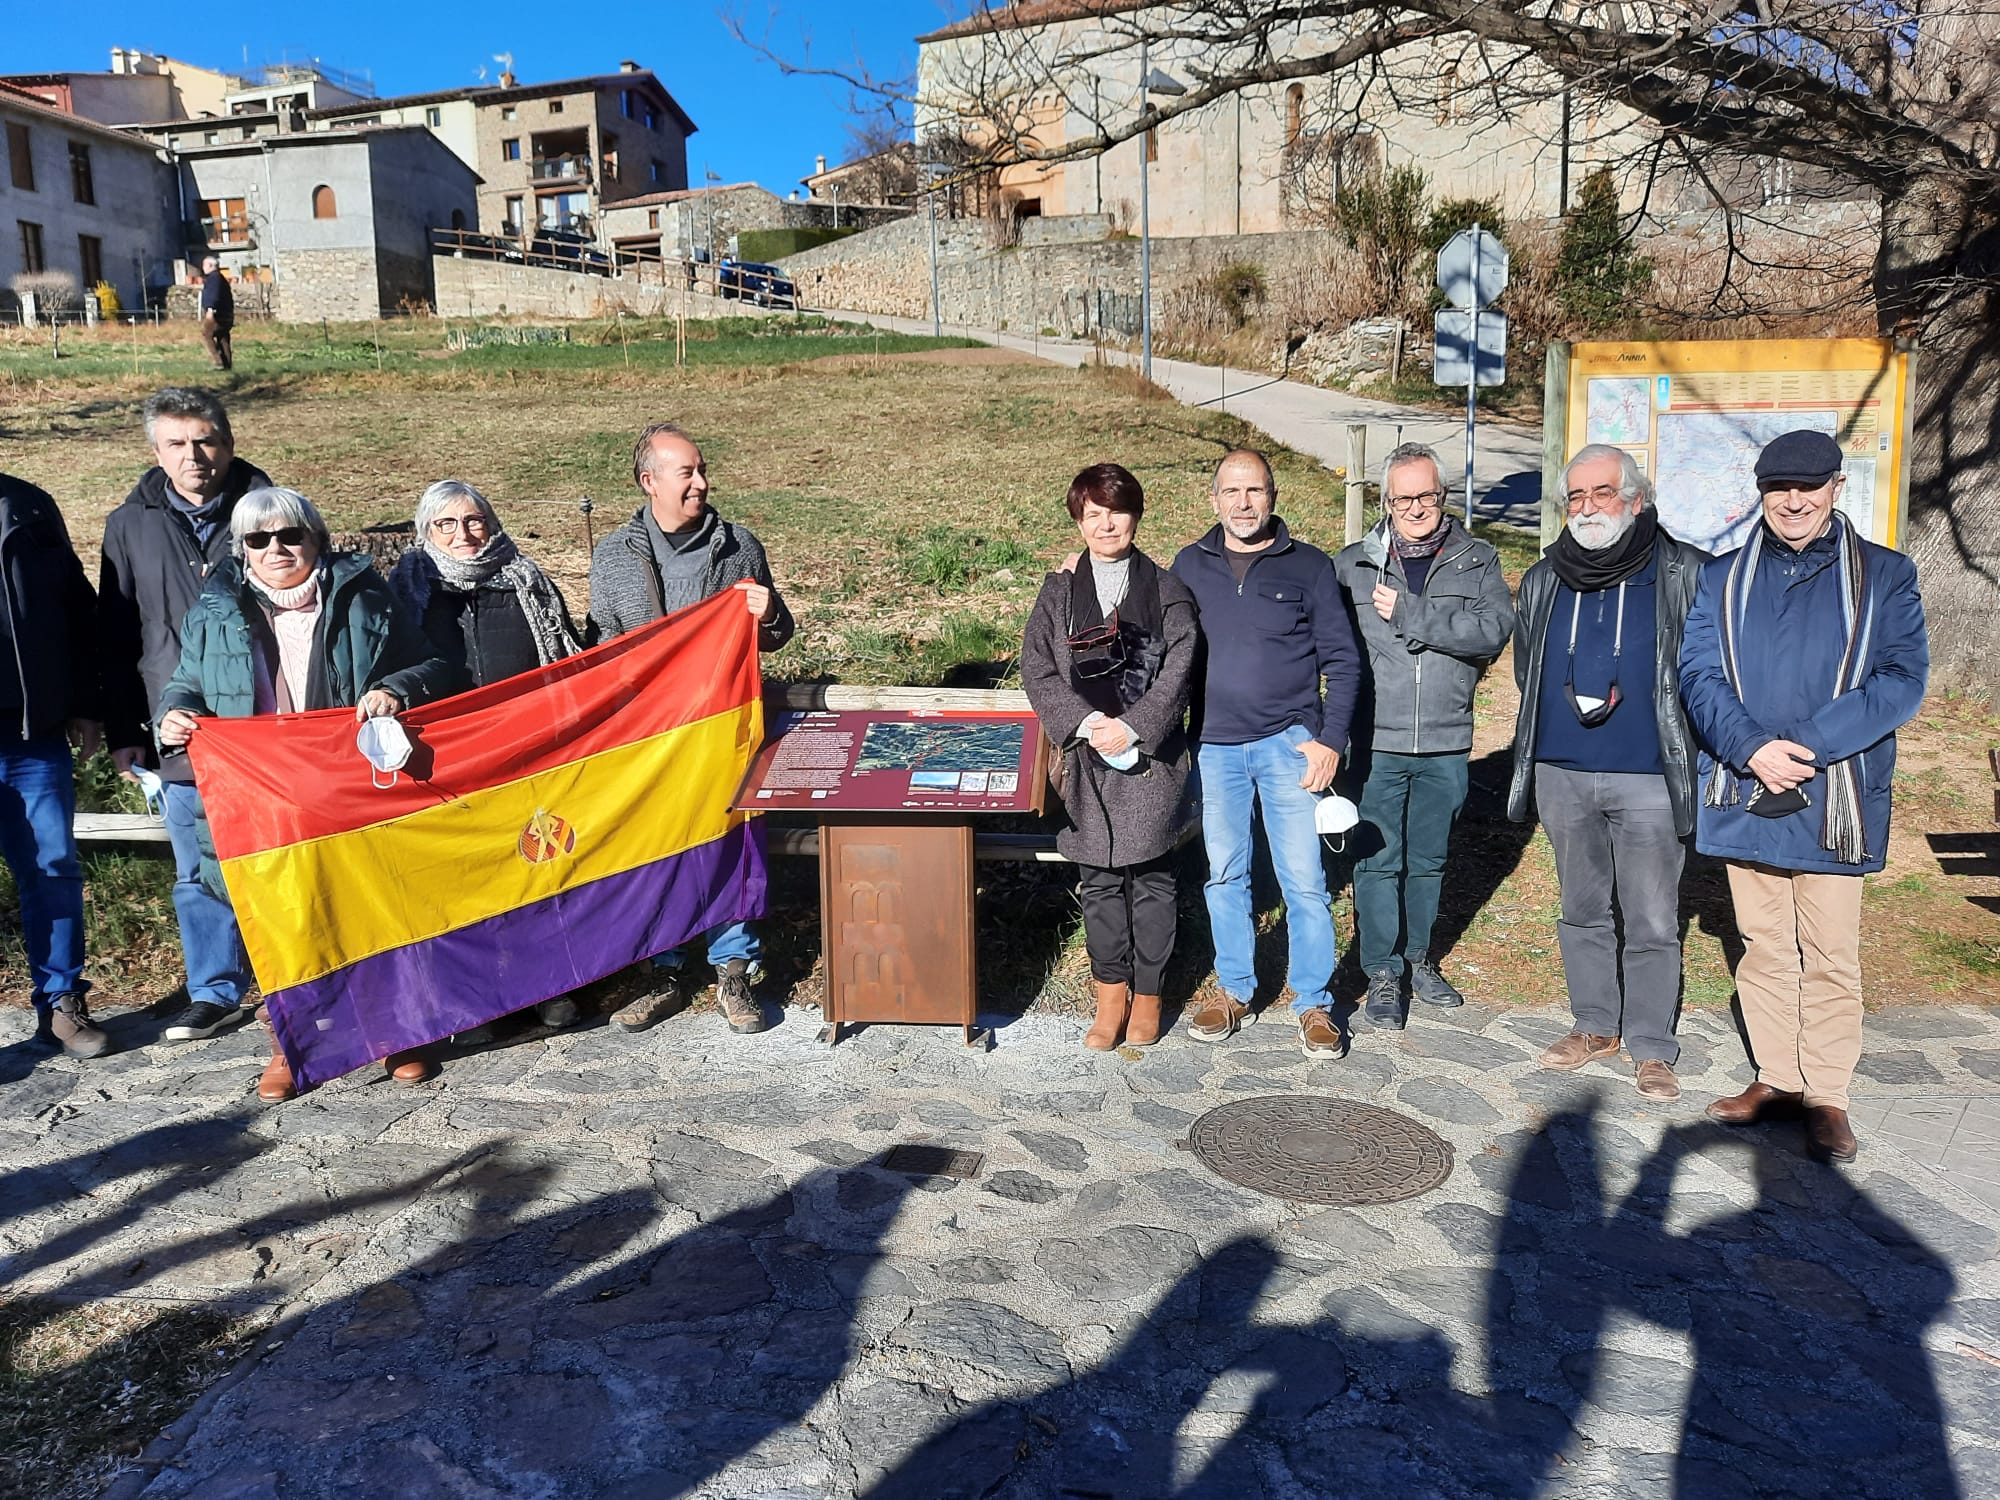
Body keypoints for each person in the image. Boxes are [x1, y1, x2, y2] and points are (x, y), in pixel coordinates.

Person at [156, 487, 452, 1102]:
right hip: (261, 794)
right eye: (259, 540)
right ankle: (288, 1042)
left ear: (316, 538)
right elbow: (185, 684)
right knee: (284, 917)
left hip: (347, 788)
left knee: (367, 906)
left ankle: (396, 1035)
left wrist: (396, 687)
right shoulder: (213, 609)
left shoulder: (367, 594)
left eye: (290, 535)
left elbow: (431, 666)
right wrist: (177, 715)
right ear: (242, 550)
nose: (277, 549)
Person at [1680, 430, 1928, 1162]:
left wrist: (1810, 746)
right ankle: (1778, 1078)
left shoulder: (1885, 575)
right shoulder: (1722, 577)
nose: (1793, 501)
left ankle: (1826, 1094)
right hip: (1748, 782)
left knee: (1828, 951)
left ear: (1835, 488)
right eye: (1779, 488)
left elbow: (1900, 679)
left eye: (1808, 487)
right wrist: (1751, 746)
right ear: (1762, 492)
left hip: (1832, 792)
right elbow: (1699, 674)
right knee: (1761, 945)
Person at [1508, 444, 1706, 1101]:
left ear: (1637, 500)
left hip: (1649, 776)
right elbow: (1528, 668)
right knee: (1581, 909)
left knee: (1651, 918)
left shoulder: (1681, 572)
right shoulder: (1544, 578)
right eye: (1577, 497)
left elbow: (1704, 675)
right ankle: (1595, 1025)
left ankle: (1651, 1045)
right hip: (1562, 773)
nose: (1588, 508)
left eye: (1603, 493)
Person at [588, 422, 794, 1037]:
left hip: (721, 727)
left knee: (728, 843)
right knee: (659, 849)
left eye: (703, 470)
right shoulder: (613, 557)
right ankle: (667, 970)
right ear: (649, 481)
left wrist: (771, 613)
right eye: (688, 473)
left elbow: (775, 634)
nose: (702, 483)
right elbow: (603, 645)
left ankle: (734, 970)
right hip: (648, 736)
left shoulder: (739, 547)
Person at [1171, 449, 1360, 1056]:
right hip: (1216, 748)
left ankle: (1313, 1003)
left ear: (1273, 497)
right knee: (1224, 875)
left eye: (1254, 490)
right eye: (1232, 491)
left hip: (1290, 746)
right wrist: (1079, 568)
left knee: (1303, 880)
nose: (1243, 502)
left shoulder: (1308, 567)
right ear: (1214, 498)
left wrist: (1330, 740)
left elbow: (1344, 661)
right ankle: (1234, 989)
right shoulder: (1188, 566)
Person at [100, 388, 273, 1044]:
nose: (193, 455)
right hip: (178, 726)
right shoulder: (129, 524)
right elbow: (116, 635)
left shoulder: (271, 508)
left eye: (205, 440)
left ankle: (291, 976)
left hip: (265, 719)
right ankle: (213, 990)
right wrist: (125, 732)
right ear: (156, 451)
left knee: (281, 854)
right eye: (176, 443)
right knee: (197, 868)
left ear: (227, 442)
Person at [390, 478, 586, 1039]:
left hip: (523, 750)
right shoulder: (408, 590)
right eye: (445, 524)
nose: (463, 534)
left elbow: (563, 658)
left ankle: (551, 987)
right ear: (426, 531)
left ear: (492, 522)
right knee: (466, 877)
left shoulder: (526, 582)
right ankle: (478, 1001)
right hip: (445, 756)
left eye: (473, 520)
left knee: (533, 867)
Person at [1333, 442, 1514, 1029]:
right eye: (1404, 497)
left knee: (1430, 860)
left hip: (1445, 738)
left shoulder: (1477, 559)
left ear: (1444, 496)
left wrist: (1414, 616)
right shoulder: (1351, 565)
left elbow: (1493, 631)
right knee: (1378, 860)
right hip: (1377, 741)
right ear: (1385, 501)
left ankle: (1420, 959)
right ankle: (1383, 971)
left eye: (1427, 495)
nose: (1416, 507)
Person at [1022, 464, 1198, 1050]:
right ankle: (1109, 995)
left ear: (1136, 516)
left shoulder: (1168, 589)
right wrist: (1086, 722)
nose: (1105, 524)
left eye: (1115, 512)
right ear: (1078, 520)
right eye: (1092, 514)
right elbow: (1037, 666)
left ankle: (1148, 996)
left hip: (1150, 763)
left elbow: (1179, 669)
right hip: (1086, 758)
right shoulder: (1059, 590)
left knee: (1152, 879)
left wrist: (1134, 727)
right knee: (1098, 881)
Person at [1, 472, 108, 1060]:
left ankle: (60, 1000)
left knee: (51, 868)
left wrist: (87, 704)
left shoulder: (29, 506)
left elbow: (75, 606)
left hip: (27, 734)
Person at [198, 256, 234, 371]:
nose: (203, 268)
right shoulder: (220, 278)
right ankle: (227, 364)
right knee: (222, 337)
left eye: (204, 265)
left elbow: (213, 295)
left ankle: (218, 362)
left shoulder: (214, 278)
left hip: (217, 314)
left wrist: (210, 309)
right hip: (227, 314)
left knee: (206, 333)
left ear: (211, 266)